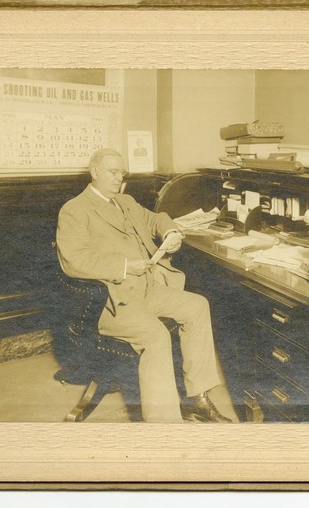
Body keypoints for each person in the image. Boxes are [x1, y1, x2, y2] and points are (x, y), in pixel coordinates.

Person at [56, 148, 231, 423]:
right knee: (157, 336)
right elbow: (73, 261)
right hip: (114, 301)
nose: (119, 178)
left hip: (148, 289)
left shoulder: (125, 201)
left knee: (198, 306)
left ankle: (198, 398)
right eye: (113, 172)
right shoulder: (74, 210)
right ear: (95, 172)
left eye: (122, 173)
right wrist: (125, 267)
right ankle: (164, 425)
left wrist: (170, 231)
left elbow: (154, 219)